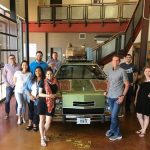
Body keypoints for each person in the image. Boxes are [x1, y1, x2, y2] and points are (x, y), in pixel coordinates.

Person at [104, 55, 129, 141]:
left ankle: (118, 134)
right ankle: (112, 130)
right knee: (112, 116)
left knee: (114, 116)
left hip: (118, 97)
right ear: (112, 61)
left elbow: (127, 85)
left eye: (117, 60)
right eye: (114, 60)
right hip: (110, 96)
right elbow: (108, 82)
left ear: (119, 62)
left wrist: (122, 96)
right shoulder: (110, 71)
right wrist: (106, 91)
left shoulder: (122, 71)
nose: (115, 62)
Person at [38, 68, 59, 146]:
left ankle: (43, 135)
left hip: (51, 104)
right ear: (45, 75)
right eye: (47, 74)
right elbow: (39, 94)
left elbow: (57, 92)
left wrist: (55, 95)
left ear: (53, 74)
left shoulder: (56, 81)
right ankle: (42, 138)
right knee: (42, 121)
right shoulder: (42, 82)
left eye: (50, 74)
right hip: (42, 103)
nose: (49, 76)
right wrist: (49, 95)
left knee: (48, 122)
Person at [25, 66, 45, 131]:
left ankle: (35, 124)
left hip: (39, 99)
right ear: (34, 72)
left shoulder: (44, 80)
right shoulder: (31, 79)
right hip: (31, 98)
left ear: (42, 72)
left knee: (36, 112)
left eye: (39, 71)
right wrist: (30, 95)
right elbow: (26, 88)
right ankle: (30, 123)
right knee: (31, 111)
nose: (37, 72)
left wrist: (39, 95)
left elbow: (46, 90)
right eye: (36, 71)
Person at [13, 60, 31, 125]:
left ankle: (23, 117)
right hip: (18, 91)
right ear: (21, 66)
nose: (24, 66)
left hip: (25, 92)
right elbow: (14, 81)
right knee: (20, 104)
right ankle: (19, 118)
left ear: (27, 66)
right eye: (23, 65)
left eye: (26, 65)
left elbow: (30, 83)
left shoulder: (29, 74)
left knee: (24, 105)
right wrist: (18, 86)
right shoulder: (17, 72)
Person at [3, 54, 20, 119]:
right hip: (9, 85)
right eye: (10, 58)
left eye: (13, 58)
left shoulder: (19, 66)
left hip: (17, 85)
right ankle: (7, 113)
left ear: (15, 58)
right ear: (8, 59)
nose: (12, 59)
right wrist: (6, 83)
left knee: (18, 100)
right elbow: (4, 75)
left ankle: (17, 113)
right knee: (7, 100)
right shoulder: (6, 66)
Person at [134, 67, 150, 137]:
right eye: (146, 71)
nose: (147, 72)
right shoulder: (140, 79)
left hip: (147, 100)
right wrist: (135, 99)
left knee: (146, 115)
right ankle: (143, 128)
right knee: (139, 115)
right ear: (144, 72)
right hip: (140, 99)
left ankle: (143, 131)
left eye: (149, 71)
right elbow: (138, 90)